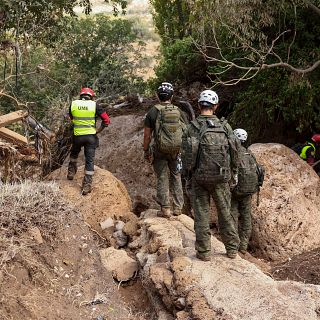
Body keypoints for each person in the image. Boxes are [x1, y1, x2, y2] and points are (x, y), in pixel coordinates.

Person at [181, 90, 240, 261]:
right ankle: (231, 250)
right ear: (215, 106)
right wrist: (234, 172)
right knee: (225, 213)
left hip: (199, 178)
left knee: (201, 214)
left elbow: (186, 156)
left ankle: (204, 252)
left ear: (199, 105)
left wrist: (187, 175)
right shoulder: (225, 126)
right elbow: (235, 151)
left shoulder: (192, 127)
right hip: (222, 178)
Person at [143, 82, 185, 217]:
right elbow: (186, 130)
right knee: (176, 176)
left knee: (162, 177)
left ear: (157, 96)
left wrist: (146, 151)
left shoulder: (152, 112)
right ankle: (178, 208)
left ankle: (165, 209)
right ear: (171, 96)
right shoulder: (178, 111)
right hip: (176, 151)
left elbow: (147, 135)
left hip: (159, 150)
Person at [67, 87, 110, 195]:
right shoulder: (94, 105)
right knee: (89, 161)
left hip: (77, 136)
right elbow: (106, 120)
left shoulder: (74, 104)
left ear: (81, 96)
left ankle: (71, 172)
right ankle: (86, 186)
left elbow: (71, 118)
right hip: (90, 137)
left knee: (74, 153)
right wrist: (98, 131)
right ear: (91, 96)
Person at [231, 128, 260, 255]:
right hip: (249, 191)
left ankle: (233, 243)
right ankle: (243, 246)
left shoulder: (233, 153)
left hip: (234, 191)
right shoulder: (250, 154)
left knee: (232, 216)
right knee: (246, 217)